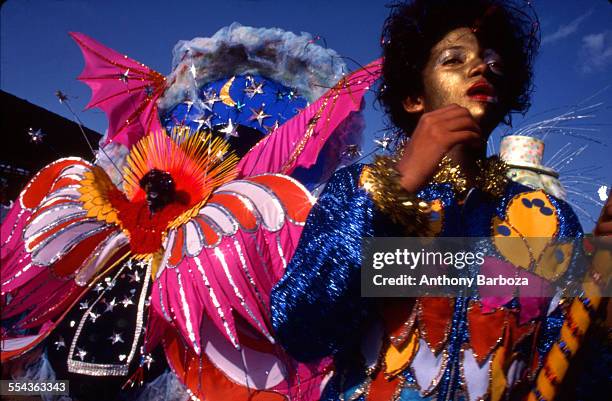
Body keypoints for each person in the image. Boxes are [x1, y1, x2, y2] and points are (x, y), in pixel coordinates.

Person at [270, 1, 612, 400]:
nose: (480, 67)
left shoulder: (548, 218)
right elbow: (302, 329)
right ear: (414, 97)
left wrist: (603, 283)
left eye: (493, 62)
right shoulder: (359, 187)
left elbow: (573, 375)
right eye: (454, 59)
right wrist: (393, 188)